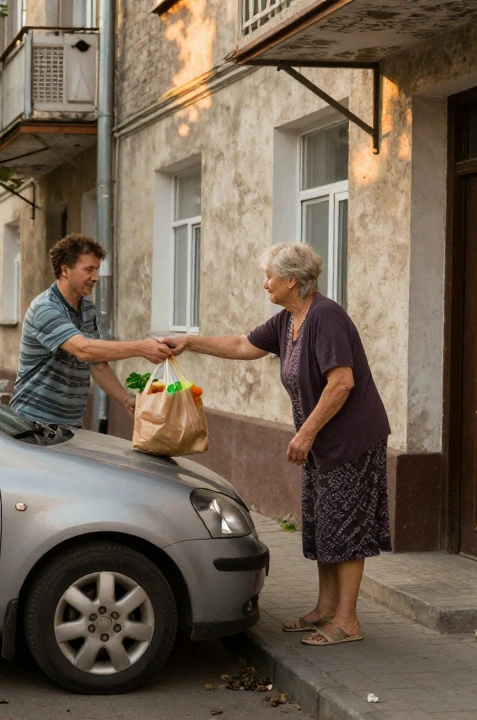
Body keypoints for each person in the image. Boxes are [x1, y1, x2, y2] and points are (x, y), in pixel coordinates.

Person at [163, 242, 390, 648]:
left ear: (291, 280)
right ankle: (324, 609)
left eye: (269, 276)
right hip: (321, 441)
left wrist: (305, 433)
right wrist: (190, 342)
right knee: (323, 526)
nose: (264, 283)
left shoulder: (326, 317)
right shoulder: (289, 320)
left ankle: (347, 620)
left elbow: (342, 382)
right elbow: (242, 345)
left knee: (345, 528)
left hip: (350, 440)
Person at [10, 234, 171, 428]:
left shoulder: (86, 308)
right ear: (65, 269)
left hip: (69, 424)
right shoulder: (45, 309)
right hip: (33, 424)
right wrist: (141, 348)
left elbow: (98, 364)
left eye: (97, 269)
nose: (95, 277)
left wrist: (125, 399)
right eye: (88, 269)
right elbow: (83, 349)